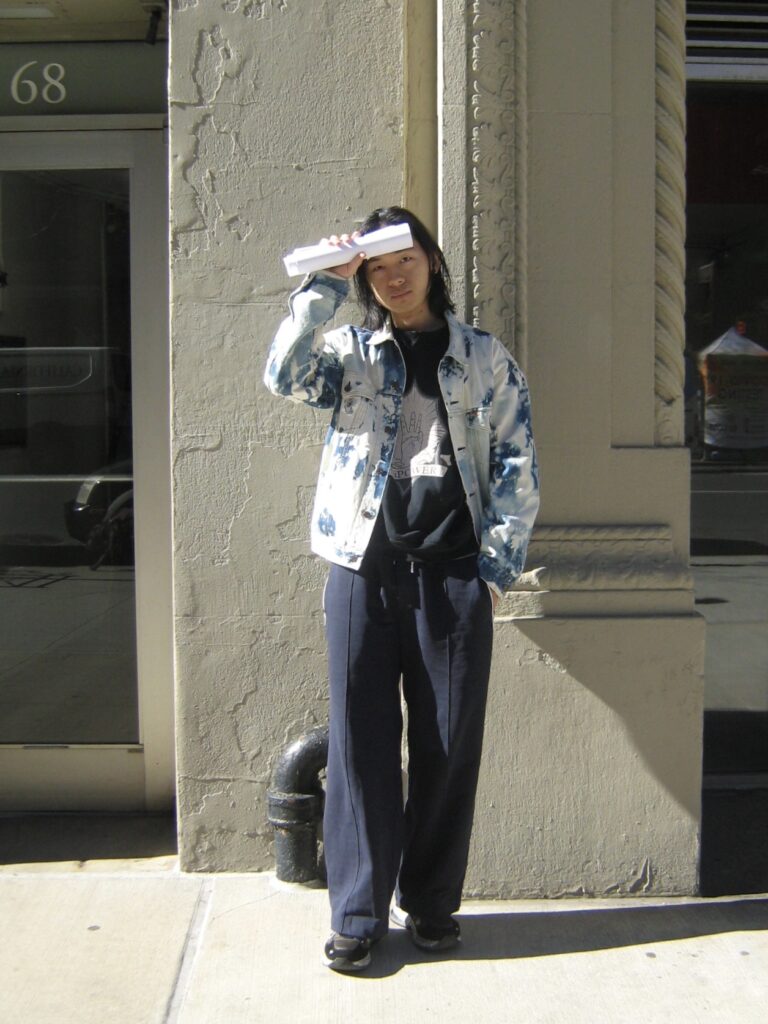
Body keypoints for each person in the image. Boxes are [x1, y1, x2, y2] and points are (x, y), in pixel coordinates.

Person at [264, 206, 539, 971]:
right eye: (378, 264)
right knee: (359, 746)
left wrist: (495, 568)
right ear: (369, 279)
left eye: (404, 255)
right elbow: (283, 372)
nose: (394, 273)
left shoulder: (482, 357)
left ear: (432, 260)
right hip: (362, 570)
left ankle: (431, 902)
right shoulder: (352, 353)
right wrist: (325, 284)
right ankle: (355, 912)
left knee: (449, 745)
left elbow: (517, 458)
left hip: (452, 576)